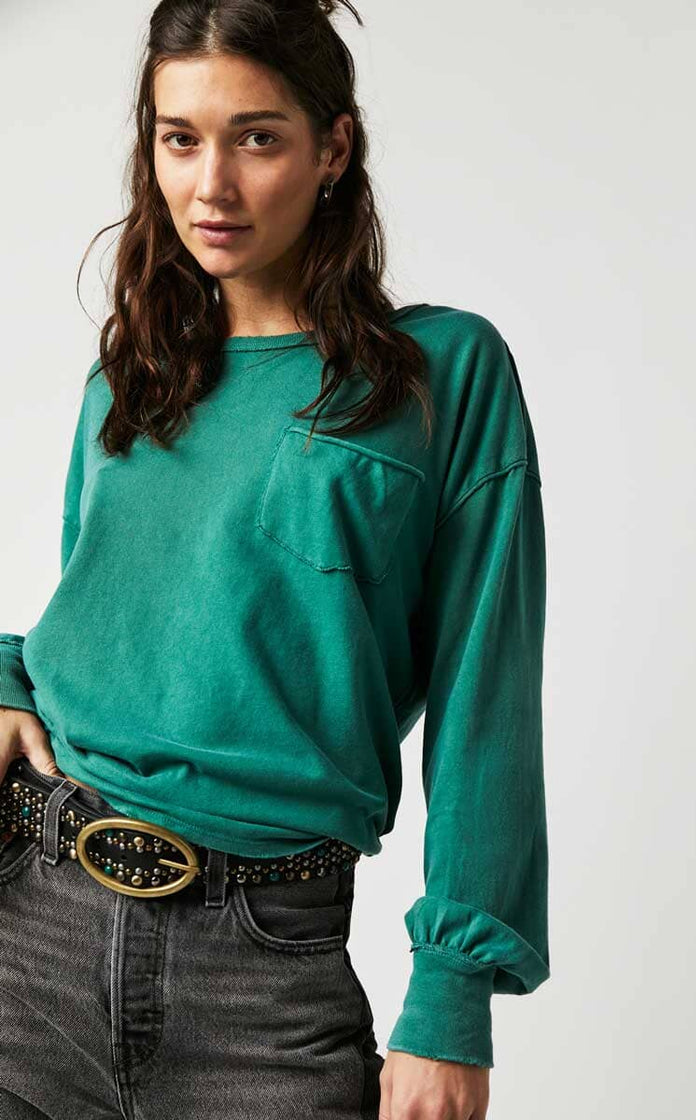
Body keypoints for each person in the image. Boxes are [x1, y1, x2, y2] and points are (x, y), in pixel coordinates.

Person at [0, 1, 549, 1117]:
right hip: (29, 930)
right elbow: (109, 620)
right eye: (180, 138)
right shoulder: (130, 377)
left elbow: (485, 691)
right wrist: (9, 675)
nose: (212, 185)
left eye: (256, 137)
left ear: (332, 147)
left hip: (265, 973)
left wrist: (451, 995)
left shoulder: (441, 375)